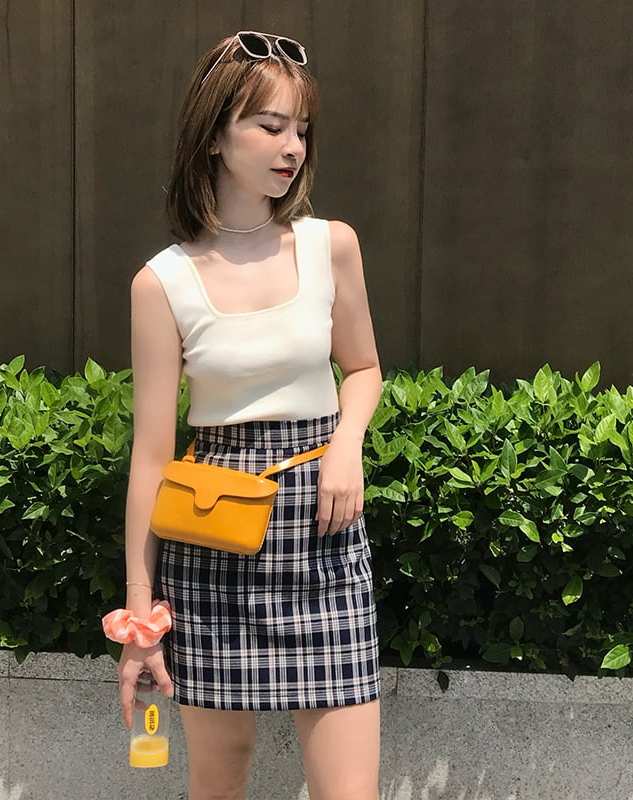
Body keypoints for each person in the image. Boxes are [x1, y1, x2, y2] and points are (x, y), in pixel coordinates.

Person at [116, 31, 383, 800]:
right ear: (214, 135)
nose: (292, 146)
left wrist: (346, 444)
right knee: (219, 778)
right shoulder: (162, 282)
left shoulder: (330, 246)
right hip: (214, 533)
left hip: (324, 532)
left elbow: (363, 368)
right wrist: (140, 615)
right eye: (270, 126)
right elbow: (152, 456)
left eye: (301, 128)